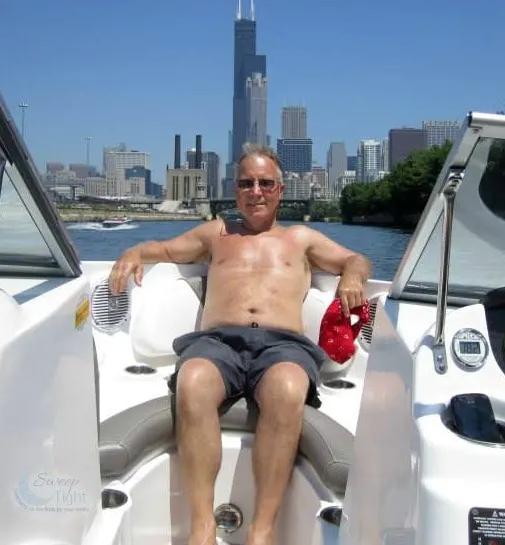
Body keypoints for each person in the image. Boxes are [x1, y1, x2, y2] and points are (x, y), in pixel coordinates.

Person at [109, 144, 372, 545]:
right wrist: (132, 250)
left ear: (280, 190)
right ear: (235, 191)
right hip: (217, 343)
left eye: (266, 183)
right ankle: (201, 527)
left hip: (282, 346)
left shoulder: (301, 239)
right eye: (247, 183)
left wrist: (352, 276)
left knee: (286, 390)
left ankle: (261, 532)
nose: (257, 191)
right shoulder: (216, 234)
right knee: (193, 380)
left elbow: (356, 259)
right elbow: (163, 249)